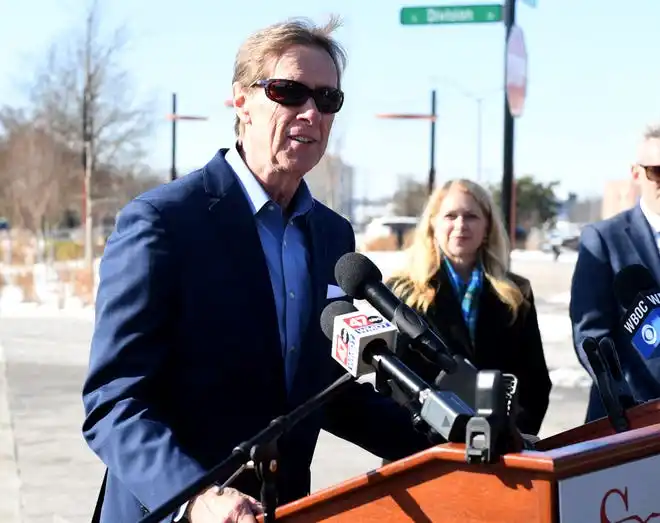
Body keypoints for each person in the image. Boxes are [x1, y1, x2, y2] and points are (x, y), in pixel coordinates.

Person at [81, 17, 434, 523]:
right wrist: (195, 496)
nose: (310, 112)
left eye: (327, 99)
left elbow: (326, 390)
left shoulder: (332, 236)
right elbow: (114, 403)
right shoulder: (162, 223)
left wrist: (454, 438)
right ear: (241, 101)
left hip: (282, 508)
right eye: (288, 92)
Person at [387, 179, 552, 436]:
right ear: (433, 223)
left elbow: (535, 382)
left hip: (498, 450)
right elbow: (394, 381)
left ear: (487, 226)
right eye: (450, 216)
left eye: (471, 216)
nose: (461, 225)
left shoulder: (517, 293)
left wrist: (508, 437)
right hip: (420, 449)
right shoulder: (402, 291)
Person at [570, 124, 660, 422]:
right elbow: (591, 335)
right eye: (657, 172)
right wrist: (628, 399)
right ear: (636, 173)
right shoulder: (603, 239)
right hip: (628, 421)